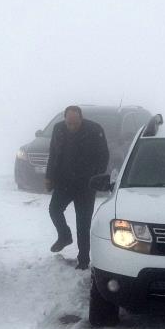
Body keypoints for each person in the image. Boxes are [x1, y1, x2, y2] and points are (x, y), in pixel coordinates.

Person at [45, 105, 109, 270]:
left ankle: (83, 260)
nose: (71, 127)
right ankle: (65, 236)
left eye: (75, 123)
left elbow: (104, 156)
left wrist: (95, 177)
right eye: (69, 123)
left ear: (81, 118)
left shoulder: (94, 130)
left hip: (85, 185)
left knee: (83, 223)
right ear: (65, 120)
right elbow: (53, 154)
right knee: (54, 210)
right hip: (64, 182)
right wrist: (49, 177)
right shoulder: (59, 129)